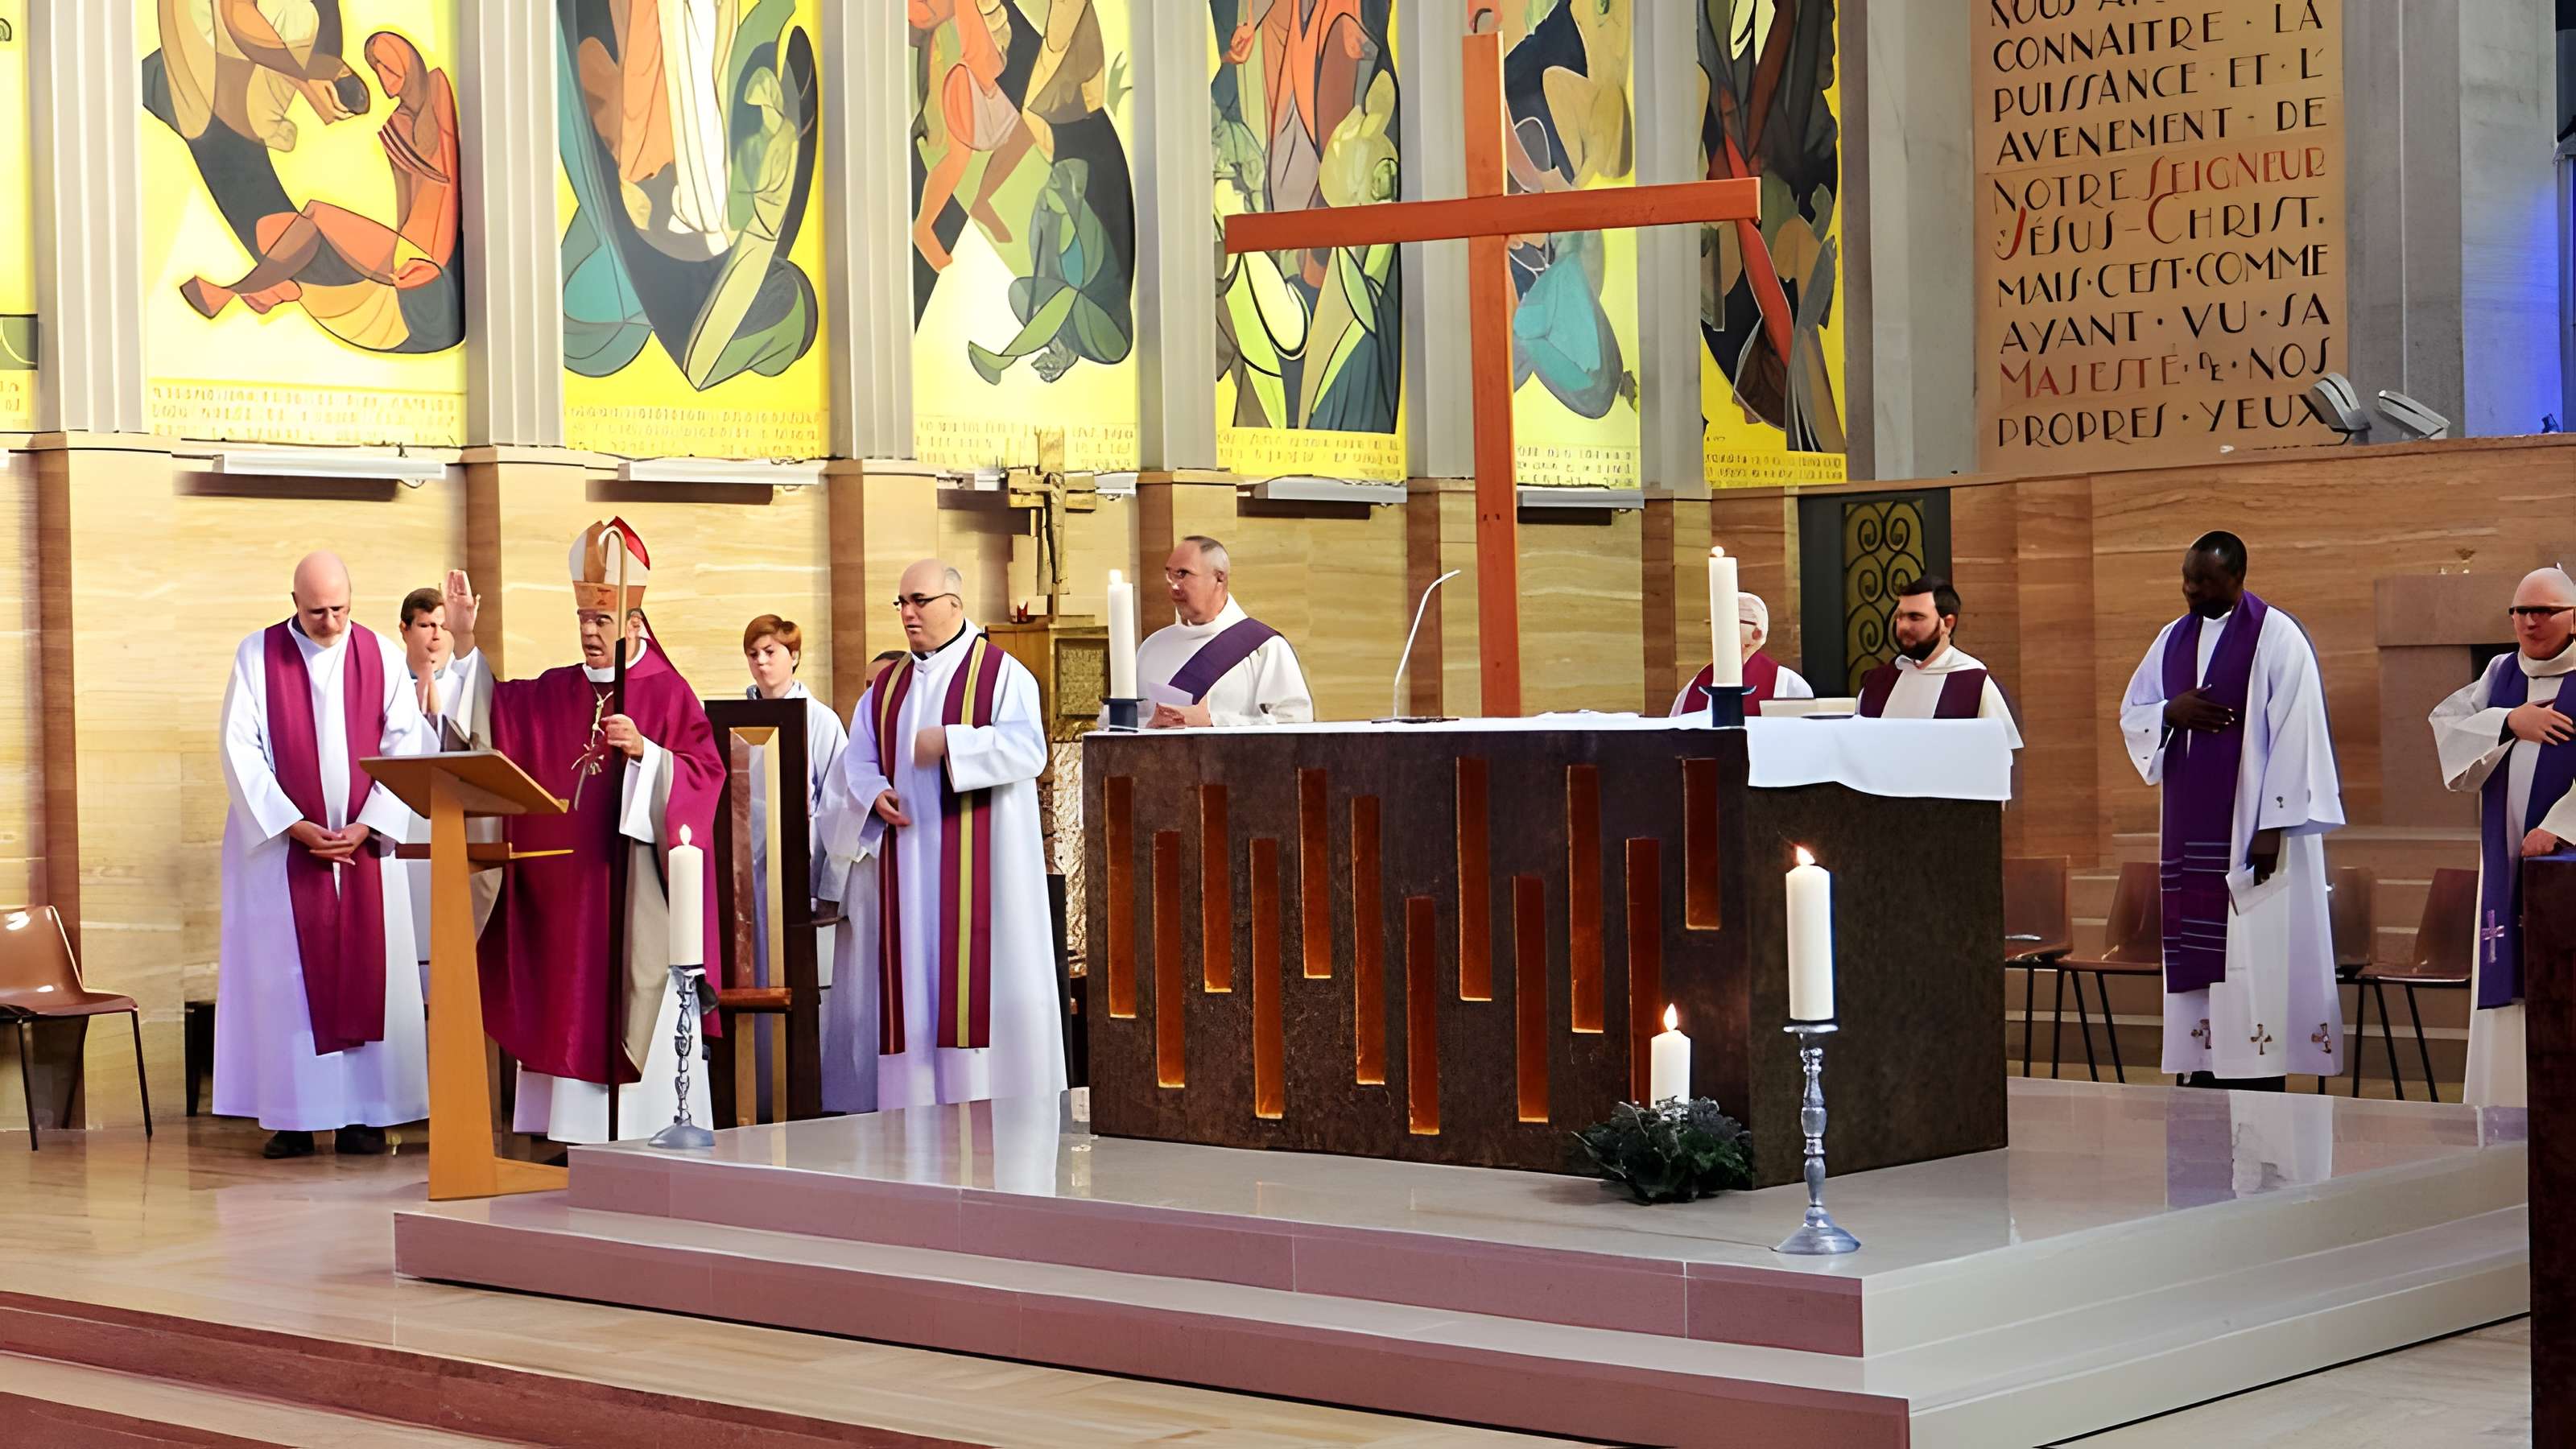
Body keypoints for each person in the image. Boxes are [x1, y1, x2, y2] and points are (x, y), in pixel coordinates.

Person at [436, 521, 725, 1144]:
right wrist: (464, 642)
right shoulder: (556, 692)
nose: (591, 634)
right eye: (583, 621)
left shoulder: (669, 693)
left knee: (624, 989)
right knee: (563, 993)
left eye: (602, 622)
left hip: (630, 892)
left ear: (635, 625)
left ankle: (645, 1125)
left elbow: (705, 777)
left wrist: (648, 753)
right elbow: (490, 714)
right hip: (562, 900)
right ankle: (571, 1132)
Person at [215, 552, 431, 1159]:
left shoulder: (383, 655)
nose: (331, 622)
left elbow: (405, 743)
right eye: (317, 612)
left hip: (363, 849)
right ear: (294, 602)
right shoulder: (257, 657)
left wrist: (369, 824)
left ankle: (364, 1117)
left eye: (340, 609)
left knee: (367, 971)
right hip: (287, 853)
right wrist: (294, 826)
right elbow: (240, 749)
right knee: (287, 985)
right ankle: (294, 1118)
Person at [2120, 531, 2343, 1090]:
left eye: (2205, 582)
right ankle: (2202, 1068)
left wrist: (2274, 828)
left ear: (2237, 578)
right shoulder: (2171, 638)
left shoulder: (2277, 637)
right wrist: (2171, 710)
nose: (2192, 591)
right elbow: (2135, 711)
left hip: (2254, 832)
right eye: (2187, 581)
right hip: (2192, 831)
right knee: (2206, 954)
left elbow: (2300, 732)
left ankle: (2257, 1075)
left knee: (2254, 952)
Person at [840, 560, 1064, 1108]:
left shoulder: (1003, 674)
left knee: (977, 980)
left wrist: (952, 744)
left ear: (955, 605)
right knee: (915, 982)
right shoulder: (887, 686)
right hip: (910, 862)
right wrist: (873, 793)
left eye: (918, 600)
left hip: (981, 869)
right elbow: (857, 756)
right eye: (901, 603)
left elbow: (1030, 751)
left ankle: (1000, 1106)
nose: (908, 613)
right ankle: (913, 1114)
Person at [2429, 566, 2576, 1108]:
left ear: (2573, 617)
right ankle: (2504, 1109)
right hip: (2506, 859)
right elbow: (2446, 725)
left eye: (2544, 612)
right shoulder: (2499, 672)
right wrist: (2507, 721)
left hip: (2564, 862)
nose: (2530, 622)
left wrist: (2561, 828)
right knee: (2506, 963)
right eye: (2521, 612)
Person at [739, 614, 851, 1115]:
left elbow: (837, 802)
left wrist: (830, 883)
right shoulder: (731, 716)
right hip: (743, 867)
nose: (762, 662)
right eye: (754, 653)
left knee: (802, 978)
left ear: (795, 656)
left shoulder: (820, 720)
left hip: (798, 865)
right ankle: (752, 1090)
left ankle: (808, 1094)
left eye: (772, 652)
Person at [817, 649, 907, 1113]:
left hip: (912, 879)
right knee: (861, 987)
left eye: (884, 685)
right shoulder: (856, 747)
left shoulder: (911, 738)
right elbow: (830, 815)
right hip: (867, 877)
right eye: (868, 686)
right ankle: (857, 1092)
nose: (874, 695)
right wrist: (864, 808)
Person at [1117, 535, 1313, 729]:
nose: (1173, 587)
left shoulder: (1265, 647)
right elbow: (1126, 723)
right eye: (1170, 574)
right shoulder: (1153, 647)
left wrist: (1214, 721)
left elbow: (1295, 722)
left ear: (1219, 578)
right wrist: (1150, 723)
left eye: (1183, 574)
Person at [1854, 576, 2021, 746]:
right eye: (1899, 617)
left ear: (1947, 623)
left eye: (1915, 617)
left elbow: (2001, 756)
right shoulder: (1878, 681)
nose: (1903, 626)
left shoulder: (1973, 681)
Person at [1670, 592, 1813, 716]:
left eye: (1728, 623)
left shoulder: (1789, 685)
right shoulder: (1695, 687)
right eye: (1715, 623)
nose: (1717, 631)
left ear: (1757, 633)